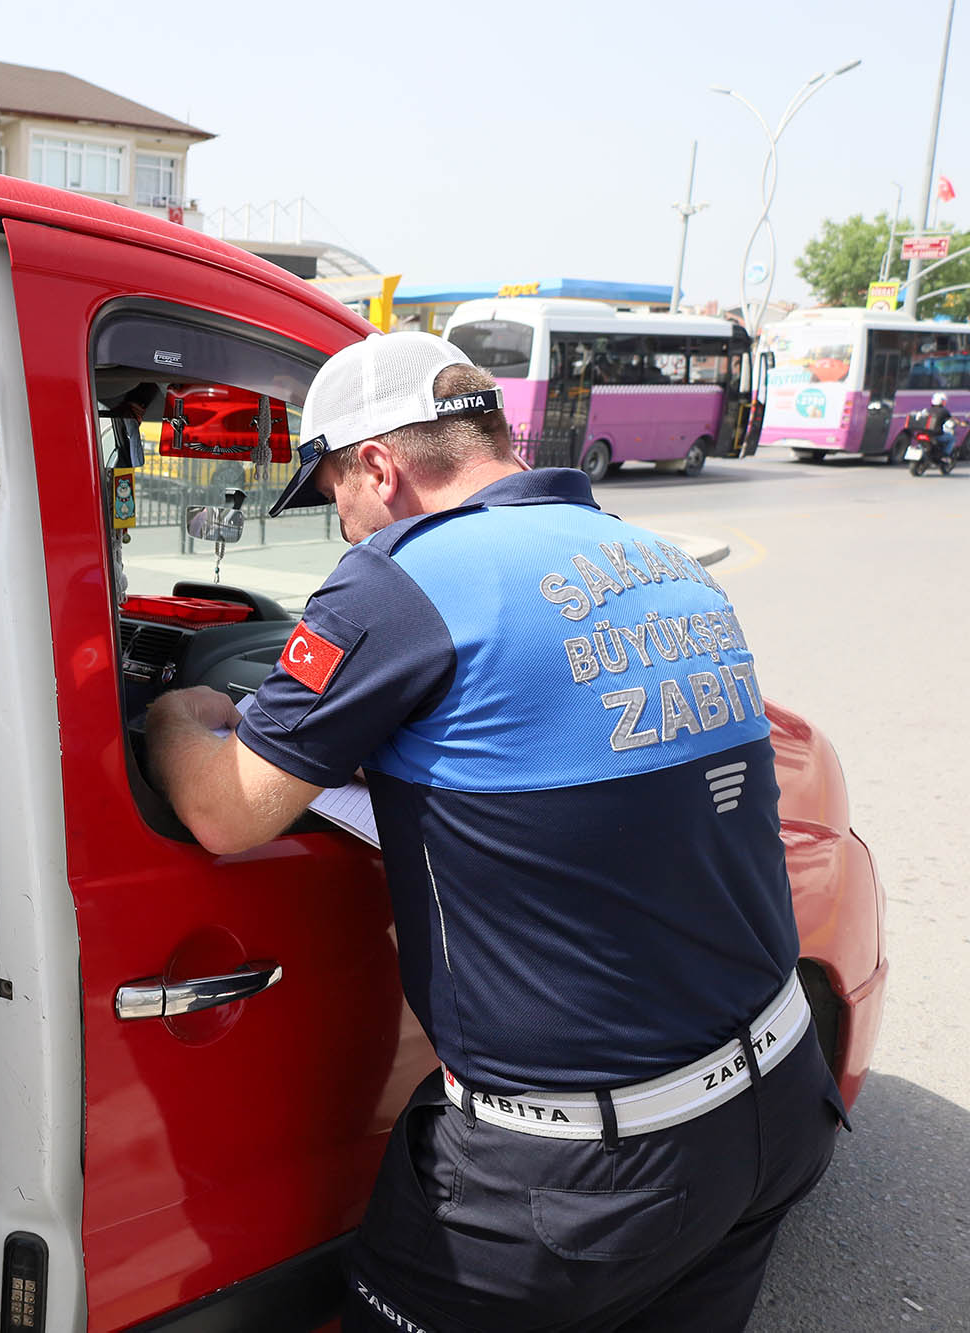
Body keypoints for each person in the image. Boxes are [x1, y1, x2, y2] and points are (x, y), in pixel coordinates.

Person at [144, 333, 847, 1333]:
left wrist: (182, 713)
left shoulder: (401, 578)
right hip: (773, 1103)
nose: (344, 531)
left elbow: (224, 810)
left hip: (577, 1176)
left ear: (377, 467)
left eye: (333, 498)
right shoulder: (647, 557)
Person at [915, 390, 953, 460]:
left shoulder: (927, 410)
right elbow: (953, 420)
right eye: (944, 401)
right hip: (936, 435)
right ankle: (945, 455)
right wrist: (962, 423)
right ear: (941, 401)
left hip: (923, 433)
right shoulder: (944, 411)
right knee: (951, 438)